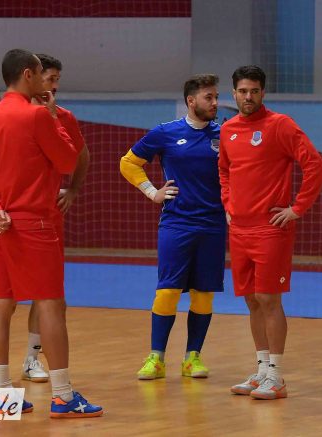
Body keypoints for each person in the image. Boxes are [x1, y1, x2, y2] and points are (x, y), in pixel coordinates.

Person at [0, 48, 103, 417]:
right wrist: (54, 118)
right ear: (27, 74)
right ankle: (63, 396)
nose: (46, 81)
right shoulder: (38, 115)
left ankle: (2, 394)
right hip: (35, 224)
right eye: (42, 73)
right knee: (50, 305)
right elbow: (68, 160)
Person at [219, 65, 322, 400]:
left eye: (254, 91)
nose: (248, 97)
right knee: (251, 300)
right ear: (234, 94)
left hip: (271, 229)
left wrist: (297, 208)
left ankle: (276, 377)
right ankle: (262, 370)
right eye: (242, 91)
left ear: (263, 93)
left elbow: (315, 164)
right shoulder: (228, 129)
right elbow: (224, 172)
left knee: (268, 298)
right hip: (239, 229)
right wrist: (228, 204)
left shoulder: (280, 125)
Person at [120, 74, 225, 380]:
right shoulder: (165, 133)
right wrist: (152, 192)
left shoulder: (225, 135)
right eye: (208, 97)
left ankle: (193, 358)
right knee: (167, 291)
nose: (215, 103)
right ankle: (157, 358)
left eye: (216, 97)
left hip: (213, 225)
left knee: (203, 294)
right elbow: (128, 163)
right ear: (191, 101)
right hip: (177, 223)